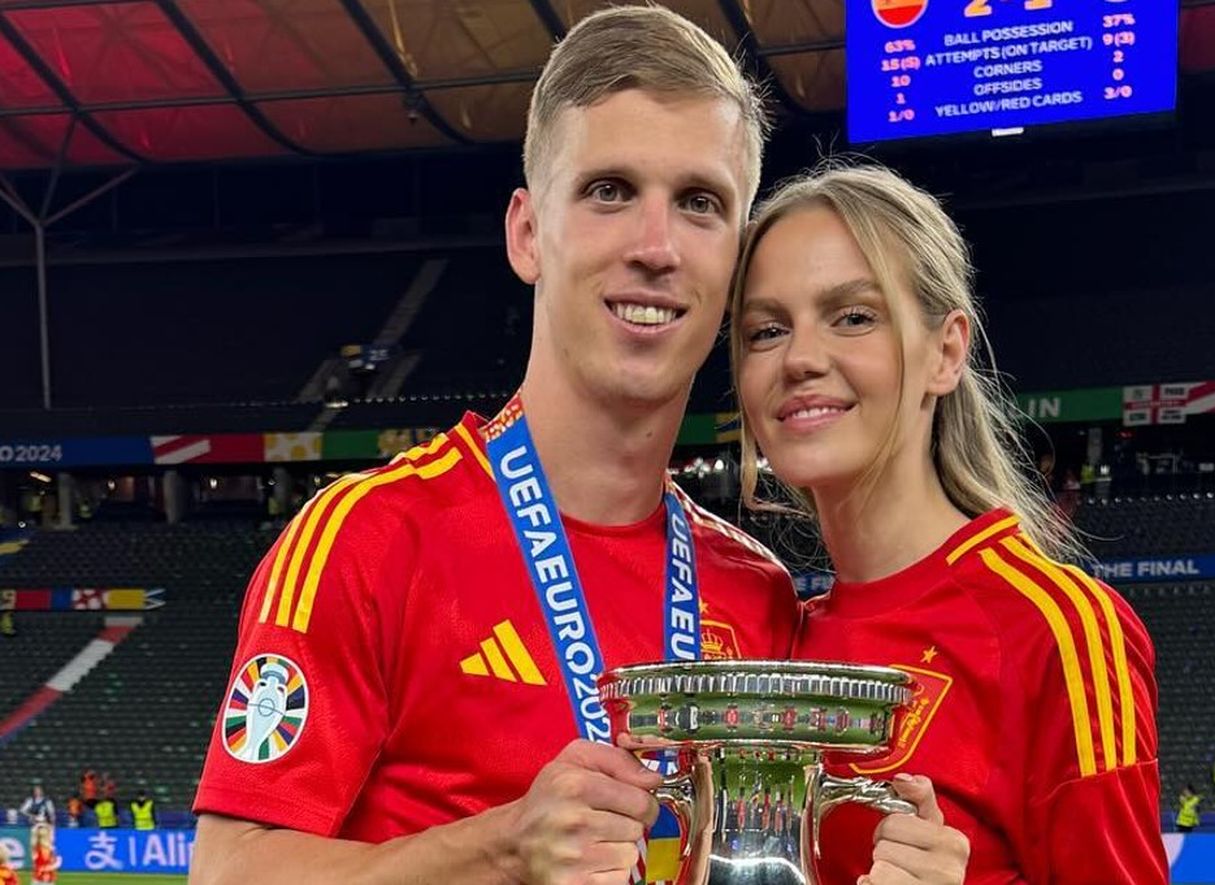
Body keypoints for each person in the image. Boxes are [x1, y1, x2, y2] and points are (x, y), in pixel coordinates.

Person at [187, 8, 842, 885]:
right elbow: (225, 871)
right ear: (528, 233)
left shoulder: (757, 593)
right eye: (609, 190)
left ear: (735, 261)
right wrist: (499, 849)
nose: (656, 247)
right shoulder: (367, 540)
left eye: (700, 203)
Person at [731, 163, 1164, 882]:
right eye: (766, 330)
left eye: (854, 316)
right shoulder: (771, 637)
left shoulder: (1059, 630)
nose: (800, 358)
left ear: (947, 351)